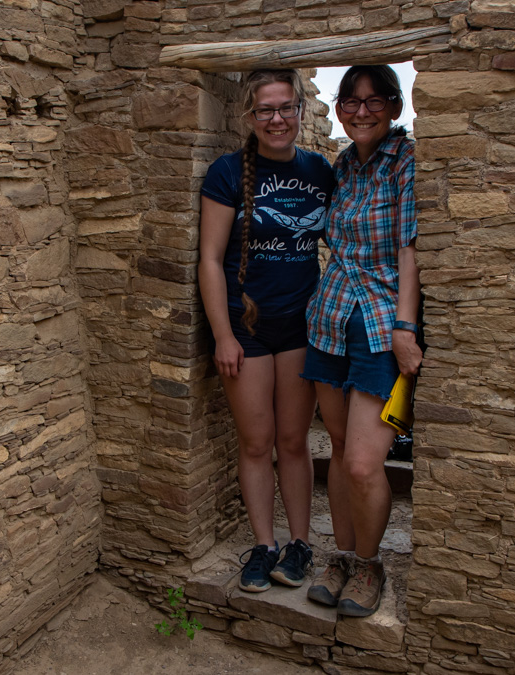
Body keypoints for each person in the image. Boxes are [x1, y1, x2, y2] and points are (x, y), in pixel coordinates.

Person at [198, 69, 335, 592]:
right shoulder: (228, 173)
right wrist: (223, 335)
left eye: (286, 108)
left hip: (301, 327)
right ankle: (264, 544)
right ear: (249, 117)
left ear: (301, 110)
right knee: (256, 443)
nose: (277, 119)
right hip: (247, 328)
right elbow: (210, 259)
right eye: (265, 110)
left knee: (293, 441)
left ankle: (299, 544)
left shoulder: (321, 170)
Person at [303, 65, 422, 616]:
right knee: (341, 449)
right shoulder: (343, 167)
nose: (360, 111)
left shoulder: (405, 162)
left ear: (394, 108)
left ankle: (370, 565)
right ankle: (342, 556)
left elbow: (408, 249)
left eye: (374, 101)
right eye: (350, 101)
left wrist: (405, 327)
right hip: (328, 320)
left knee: (363, 464)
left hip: (378, 327)